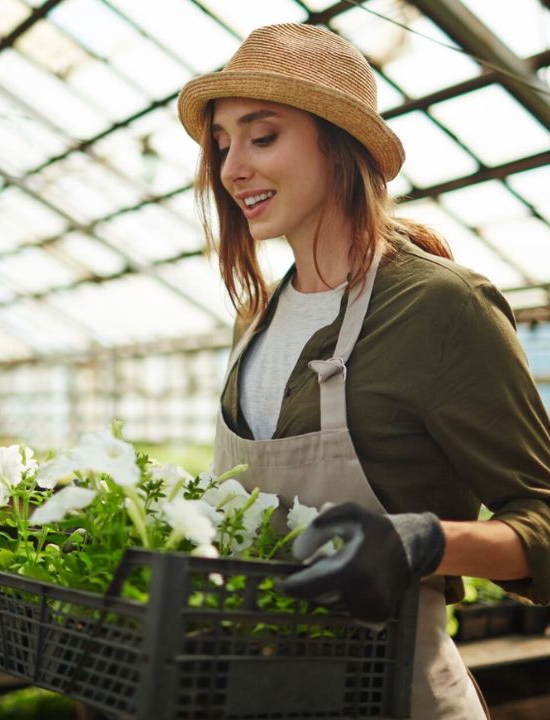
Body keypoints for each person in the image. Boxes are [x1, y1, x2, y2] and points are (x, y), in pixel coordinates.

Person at [178, 23, 550, 718]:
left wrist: (424, 541)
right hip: (257, 694)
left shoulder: (438, 305)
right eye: (223, 145)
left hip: (395, 698)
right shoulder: (255, 318)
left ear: (339, 142)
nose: (231, 170)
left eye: (262, 138)